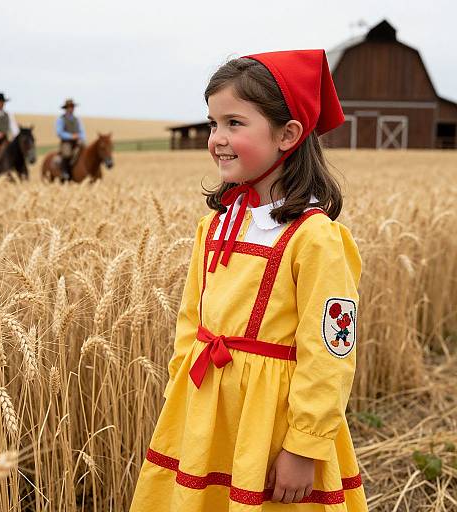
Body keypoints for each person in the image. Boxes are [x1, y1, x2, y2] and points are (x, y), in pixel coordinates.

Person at [129, 50, 368, 511]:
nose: (217, 138)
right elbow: (189, 323)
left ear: (288, 134)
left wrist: (304, 445)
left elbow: (331, 352)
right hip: (204, 415)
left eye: (234, 123)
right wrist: (182, 398)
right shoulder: (216, 226)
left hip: (273, 427)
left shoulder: (315, 238)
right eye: (212, 123)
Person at [56, 98, 86, 180]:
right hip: (67, 142)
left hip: (77, 141)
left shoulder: (77, 119)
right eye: (69, 107)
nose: (71, 109)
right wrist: (71, 136)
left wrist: (81, 138)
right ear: (65, 108)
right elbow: (59, 132)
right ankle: (65, 172)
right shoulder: (61, 119)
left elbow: (82, 131)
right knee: (67, 154)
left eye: (72, 107)